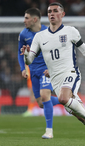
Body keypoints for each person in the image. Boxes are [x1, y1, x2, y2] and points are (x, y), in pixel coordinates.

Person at [21, 2, 85, 146]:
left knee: (63, 98)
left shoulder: (70, 31)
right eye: (49, 11)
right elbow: (29, 60)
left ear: (62, 14)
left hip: (71, 73)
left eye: (55, 11)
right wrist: (25, 55)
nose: (52, 14)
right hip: (55, 80)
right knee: (81, 117)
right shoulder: (40, 37)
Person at [18, 8, 61, 139]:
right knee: (41, 103)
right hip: (33, 71)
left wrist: (54, 68)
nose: (24, 20)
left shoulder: (48, 32)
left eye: (26, 18)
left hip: (46, 70)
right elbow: (20, 53)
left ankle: (49, 131)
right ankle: (65, 99)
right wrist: (23, 68)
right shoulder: (23, 34)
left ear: (34, 19)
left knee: (45, 95)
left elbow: (57, 52)